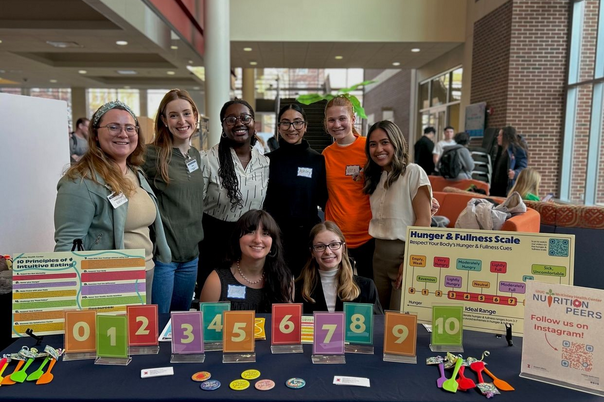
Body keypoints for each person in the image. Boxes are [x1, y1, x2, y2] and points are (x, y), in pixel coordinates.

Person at [54, 100, 171, 301]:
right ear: (95, 135)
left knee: (137, 333)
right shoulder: (80, 181)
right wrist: (68, 301)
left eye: (129, 128)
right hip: (107, 280)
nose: (123, 134)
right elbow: (67, 246)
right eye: (113, 127)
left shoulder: (136, 173)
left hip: (146, 272)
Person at [198, 99, 270, 294]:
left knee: (246, 298)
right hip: (214, 241)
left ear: (254, 123)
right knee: (215, 299)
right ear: (223, 126)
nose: (239, 123)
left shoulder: (265, 163)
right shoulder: (207, 160)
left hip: (250, 243)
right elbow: (196, 208)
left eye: (245, 118)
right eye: (231, 119)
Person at [142, 89, 204, 313]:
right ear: (164, 121)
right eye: (174, 115)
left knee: (179, 327)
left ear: (195, 117)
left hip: (191, 257)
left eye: (187, 113)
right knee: (159, 326)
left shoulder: (195, 155)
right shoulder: (150, 155)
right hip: (164, 259)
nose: (182, 121)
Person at [363, 120, 432, 310]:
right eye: (373, 144)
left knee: (397, 320)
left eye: (385, 142)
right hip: (378, 256)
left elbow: (424, 220)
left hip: (404, 253)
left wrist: (411, 259)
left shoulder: (413, 172)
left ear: (396, 143)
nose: (379, 149)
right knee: (379, 317)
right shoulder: (374, 178)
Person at [264, 103, 328, 278]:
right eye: (285, 123)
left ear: (305, 126)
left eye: (297, 122)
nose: (291, 128)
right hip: (274, 237)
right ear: (278, 128)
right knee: (276, 286)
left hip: (306, 238)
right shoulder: (267, 161)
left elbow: (324, 199)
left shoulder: (317, 160)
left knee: (304, 289)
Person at [199, 209, 293, 312]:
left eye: (265, 233)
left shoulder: (284, 280)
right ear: (237, 238)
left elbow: (286, 326)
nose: (257, 240)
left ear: (273, 243)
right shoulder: (216, 280)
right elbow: (205, 326)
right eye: (250, 232)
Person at [322, 96, 374, 279]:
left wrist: (424, 197)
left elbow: (395, 177)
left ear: (353, 119)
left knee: (367, 293)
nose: (337, 124)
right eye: (331, 120)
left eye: (342, 118)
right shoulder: (326, 155)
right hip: (337, 240)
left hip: (369, 236)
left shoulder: (369, 148)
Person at [295, 221, 383, 315]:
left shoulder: (367, 287)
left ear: (343, 248)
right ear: (312, 252)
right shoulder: (296, 289)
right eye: (320, 246)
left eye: (334, 245)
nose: (328, 252)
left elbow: (377, 325)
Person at [490, 126, 528, 197]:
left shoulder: (516, 150)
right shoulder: (499, 150)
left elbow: (523, 167)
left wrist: (515, 173)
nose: (498, 137)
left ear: (506, 137)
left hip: (507, 187)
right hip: (496, 186)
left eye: (500, 135)